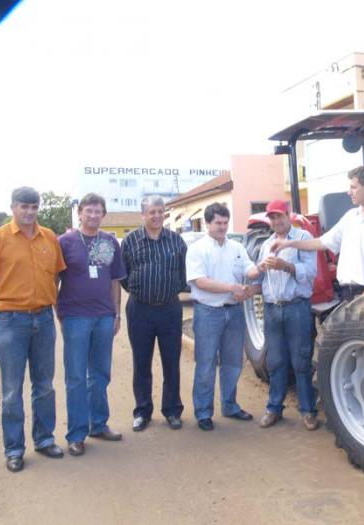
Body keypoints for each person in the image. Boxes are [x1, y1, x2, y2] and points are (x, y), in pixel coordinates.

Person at [0, 187, 67, 473]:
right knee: (12, 389)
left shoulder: (49, 237)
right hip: (11, 322)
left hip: (44, 320)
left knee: (44, 385)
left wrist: (46, 300)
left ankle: (44, 439)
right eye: (24, 206)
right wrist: (4, 309)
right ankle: (14, 449)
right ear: (13, 207)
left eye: (34, 207)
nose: (29, 212)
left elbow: (57, 275)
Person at [57, 193, 126, 456]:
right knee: (75, 377)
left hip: (104, 317)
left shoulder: (109, 242)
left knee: (100, 374)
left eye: (98, 211)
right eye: (89, 211)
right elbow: (54, 280)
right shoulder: (64, 242)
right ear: (80, 213)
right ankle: (76, 434)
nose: (93, 215)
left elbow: (114, 280)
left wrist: (116, 313)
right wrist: (59, 314)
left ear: (103, 214)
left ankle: (98, 424)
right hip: (75, 317)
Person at [271, 164, 364, 302]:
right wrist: (289, 243)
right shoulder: (351, 217)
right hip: (347, 295)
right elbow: (322, 242)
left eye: (353, 187)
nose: (349, 192)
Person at [245, 199, 320, 431]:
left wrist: (285, 265)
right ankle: (273, 408)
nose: (276, 221)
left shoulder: (304, 240)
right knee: (275, 362)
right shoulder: (266, 243)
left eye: (279, 216)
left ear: (288, 215)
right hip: (272, 309)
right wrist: (258, 272)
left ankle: (308, 411)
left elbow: (311, 273)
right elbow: (258, 279)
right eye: (272, 217)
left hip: (296, 307)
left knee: (301, 361)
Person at [186, 202, 257, 431]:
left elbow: (249, 269)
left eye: (226, 223)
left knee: (233, 362)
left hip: (233, 312)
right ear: (207, 223)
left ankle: (230, 405)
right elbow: (200, 281)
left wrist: (263, 267)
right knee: (206, 363)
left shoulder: (236, 247)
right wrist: (231, 288)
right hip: (208, 313)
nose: (223, 227)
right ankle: (204, 412)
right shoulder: (197, 249)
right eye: (218, 223)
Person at [121, 196, 187, 432]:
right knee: (141, 362)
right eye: (152, 212)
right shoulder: (130, 241)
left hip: (169, 309)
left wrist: (165, 290)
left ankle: (172, 410)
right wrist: (143, 291)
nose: (157, 216)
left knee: (171, 362)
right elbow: (124, 277)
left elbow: (182, 275)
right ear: (143, 215)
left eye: (160, 211)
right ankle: (142, 411)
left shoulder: (177, 241)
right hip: (140, 310)